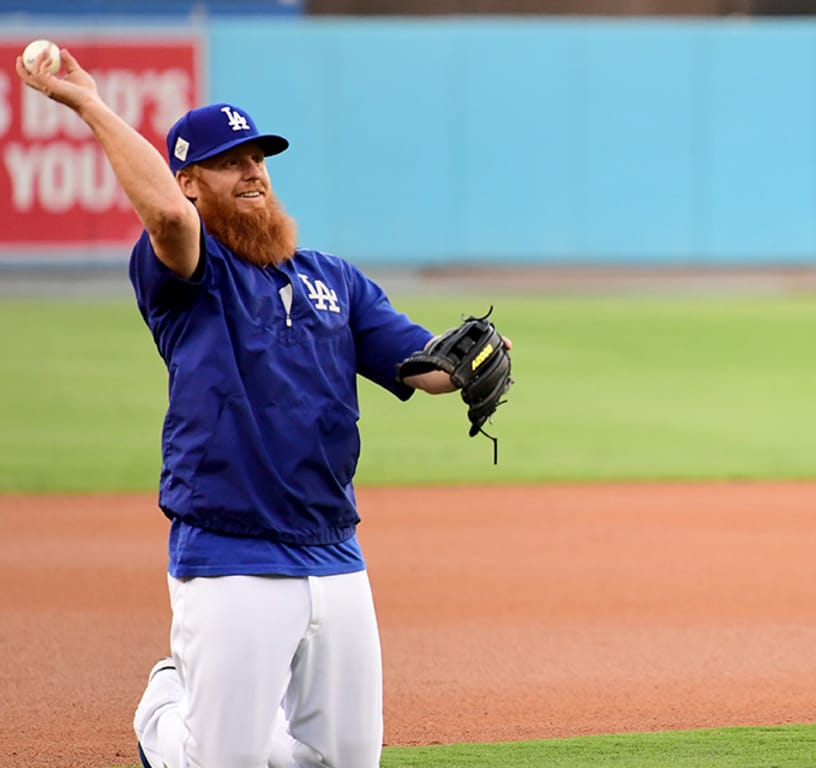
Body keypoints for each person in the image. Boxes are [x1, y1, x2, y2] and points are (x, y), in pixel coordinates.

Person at [16, 48, 491, 767]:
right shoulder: (190, 274)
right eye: (230, 161)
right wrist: (89, 104)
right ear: (190, 181)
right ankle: (164, 715)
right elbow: (169, 220)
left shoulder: (336, 280)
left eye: (259, 158)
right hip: (229, 547)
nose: (253, 172)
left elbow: (425, 366)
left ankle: (243, 723)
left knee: (344, 760)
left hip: (333, 546)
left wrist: (473, 363)